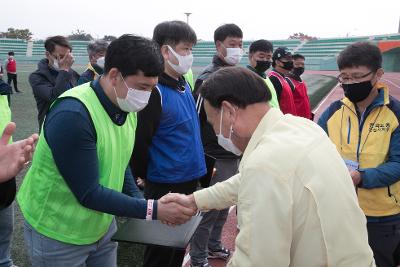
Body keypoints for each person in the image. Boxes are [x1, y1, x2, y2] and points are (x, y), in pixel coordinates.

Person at [162, 66, 376, 267]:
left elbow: (257, 260)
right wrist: (194, 200)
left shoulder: (265, 163)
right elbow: (246, 179)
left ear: (228, 111)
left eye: (212, 123)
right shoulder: (301, 127)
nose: (216, 133)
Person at [17, 34, 195, 267]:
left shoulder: (127, 106)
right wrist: (152, 209)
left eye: (152, 88)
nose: (148, 95)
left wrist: (139, 201)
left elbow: (120, 165)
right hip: (57, 231)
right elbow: (88, 193)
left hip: (101, 224)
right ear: (114, 76)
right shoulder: (74, 115)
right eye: (143, 87)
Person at [129, 20, 206, 267]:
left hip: (187, 179)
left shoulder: (182, 84)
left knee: (178, 244)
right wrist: (148, 175)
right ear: (165, 51)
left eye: (191, 49)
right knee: (161, 252)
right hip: (165, 184)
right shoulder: (155, 91)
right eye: (185, 49)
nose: (189, 56)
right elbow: (140, 142)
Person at [318, 42, 400, 267]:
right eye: (344, 77)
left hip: (381, 214)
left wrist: (361, 177)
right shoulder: (333, 112)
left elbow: (398, 163)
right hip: (340, 210)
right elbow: (315, 151)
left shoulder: (395, 114)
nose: (350, 83)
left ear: (378, 75)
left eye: (356, 76)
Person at [191, 23, 243, 267]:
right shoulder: (208, 79)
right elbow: (197, 118)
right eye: (233, 44)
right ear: (219, 45)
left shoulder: (235, 74)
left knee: (225, 204)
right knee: (211, 207)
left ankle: (213, 245)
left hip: (232, 152)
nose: (237, 50)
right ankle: (198, 256)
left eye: (241, 45)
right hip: (214, 153)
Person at [29, 35, 80, 129]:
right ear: (47, 54)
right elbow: (55, 97)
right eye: (60, 56)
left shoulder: (73, 74)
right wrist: (64, 70)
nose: (65, 60)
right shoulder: (37, 77)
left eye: (67, 56)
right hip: (51, 128)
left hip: (74, 126)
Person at [246, 39, 279, 109]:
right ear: (250, 56)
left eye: (268, 57)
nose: (265, 60)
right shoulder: (246, 78)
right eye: (261, 57)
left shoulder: (265, 77)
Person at [268, 47, 296, 115]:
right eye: (287, 58)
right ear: (277, 62)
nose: (291, 61)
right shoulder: (273, 79)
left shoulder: (283, 78)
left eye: (291, 58)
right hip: (282, 122)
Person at [286, 54, 312, 119]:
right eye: (297, 64)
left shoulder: (301, 81)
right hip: (296, 121)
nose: (300, 66)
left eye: (302, 64)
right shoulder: (287, 81)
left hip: (306, 119)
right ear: (290, 65)